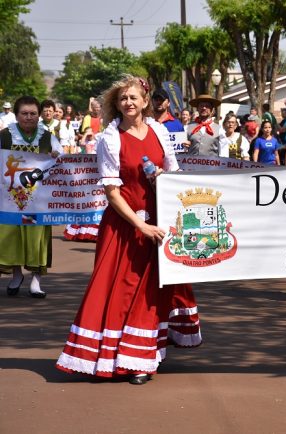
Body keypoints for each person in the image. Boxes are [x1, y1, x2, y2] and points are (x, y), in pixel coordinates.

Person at [55, 75, 201, 385]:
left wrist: (163, 177)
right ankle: (123, 358)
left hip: (160, 221)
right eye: (123, 99)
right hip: (125, 227)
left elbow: (175, 175)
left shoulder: (160, 131)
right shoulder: (110, 139)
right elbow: (112, 194)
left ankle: (142, 358)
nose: (129, 102)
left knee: (152, 293)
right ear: (117, 104)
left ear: (146, 101)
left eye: (134, 97)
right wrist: (141, 226)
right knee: (121, 291)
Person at [0, 96, 62, 298]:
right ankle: (17, 275)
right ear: (16, 115)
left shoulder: (47, 137)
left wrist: (55, 157)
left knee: (37, 238)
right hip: (10, 199)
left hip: (38, 200)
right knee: (12, 236)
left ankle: (36, 280)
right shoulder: (4, 136)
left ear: (39, 115)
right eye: (24, 113)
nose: (28, 117)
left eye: (33, 114)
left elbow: (61, 161)